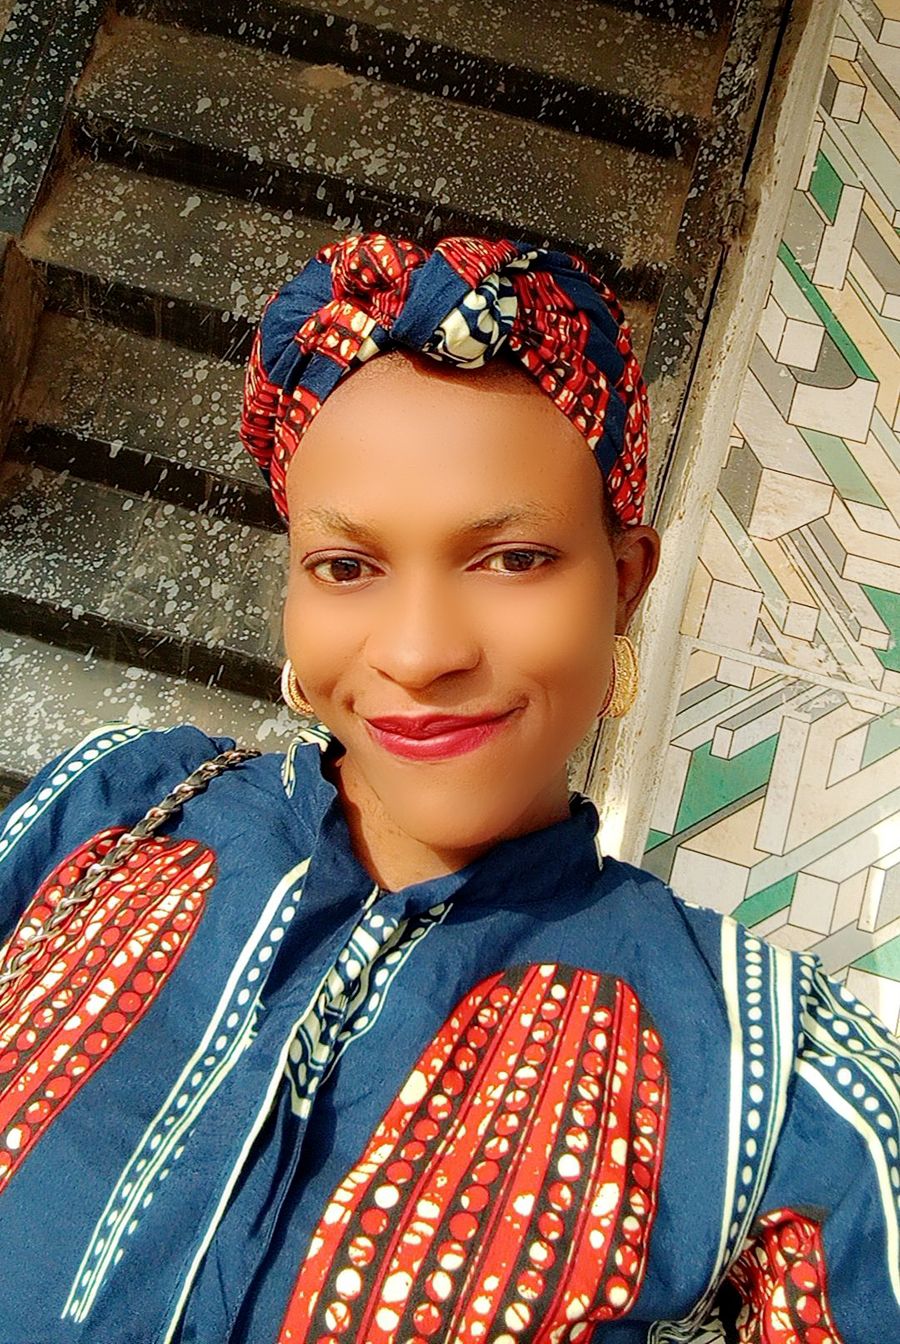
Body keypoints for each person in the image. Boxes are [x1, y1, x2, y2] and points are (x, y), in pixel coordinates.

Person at [0, 231, 896, 1344]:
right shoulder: (108, 819)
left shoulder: (771, 1078)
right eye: (347, 567)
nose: (419, 653)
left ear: (623, 584)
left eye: (512, 558)